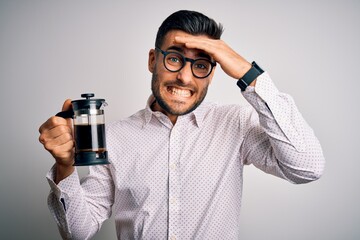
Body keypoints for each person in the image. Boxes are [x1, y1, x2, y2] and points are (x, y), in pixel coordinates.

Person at [38, 10, 325, 240]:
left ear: (213, 74)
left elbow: (307, 168)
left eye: (201, 65)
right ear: (153, 60)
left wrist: (248, 73)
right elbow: (79, 232)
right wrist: (65, 168)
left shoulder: (235, 124)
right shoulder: (112, 138)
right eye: (174, 58)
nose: (185, 78)